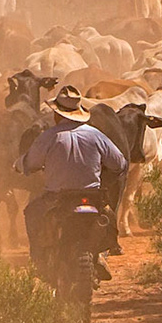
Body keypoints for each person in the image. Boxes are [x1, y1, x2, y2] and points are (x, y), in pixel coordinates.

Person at [15, 87, 127, 279]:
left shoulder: (49, 137)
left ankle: (38, 260)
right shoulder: (96, 135)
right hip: (92, 197)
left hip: (57, 199)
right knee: (108, 217)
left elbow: (30, 163)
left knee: (32, 213)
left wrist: (19, 165)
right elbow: (120, 163)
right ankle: (100, 255)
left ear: (57, 114)